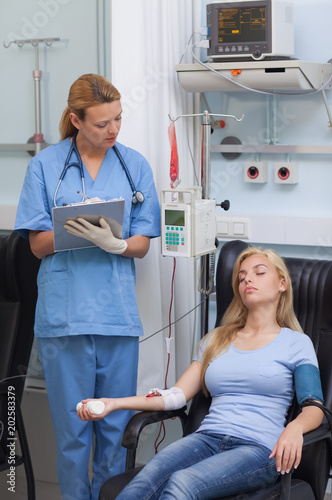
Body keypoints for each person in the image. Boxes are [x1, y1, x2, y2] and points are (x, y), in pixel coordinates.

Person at [77, 246, 324, 500]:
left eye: (259, 272)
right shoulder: (217, 339)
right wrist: (112, 403)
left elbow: (314, 406)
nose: (248, 279)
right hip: (206, 439)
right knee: (144, 482)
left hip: (258, 449)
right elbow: (175, 396)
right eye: (241, 277)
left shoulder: (296, 343)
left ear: (282, 284)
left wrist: (294, 429)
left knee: (183, 483)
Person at [15, 73, 161, 500]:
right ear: (77, 121)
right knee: (75, 433)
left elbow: (142, 246)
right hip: (66, 320)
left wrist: (113, 242)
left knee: (115, 431)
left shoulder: (133, 166)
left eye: (118, 119)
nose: (113, 130)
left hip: (117, 318)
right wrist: (76, 230)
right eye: (102, 123)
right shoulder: (45, 166)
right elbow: (38, 246)